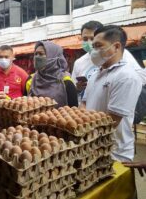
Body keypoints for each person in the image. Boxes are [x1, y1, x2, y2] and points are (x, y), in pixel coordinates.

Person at [82, 25, 142, 162]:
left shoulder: (126, 76)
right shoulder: (96, 75)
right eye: (93, 46)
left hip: (114, 153)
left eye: (98, 46)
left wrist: (82, 130)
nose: (93, 51)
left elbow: (112, 120)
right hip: (92, 148)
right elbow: (84, 104)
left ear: (116, 47)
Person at [72, 21, 143, 101]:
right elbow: (74, 87)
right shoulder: (79, 63)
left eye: (92, 38)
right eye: (85, 39)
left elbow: (139, 78)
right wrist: (78, 88)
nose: (89, 42)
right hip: (89, 106)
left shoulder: (121, 54)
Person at [26, 41, 78, 107]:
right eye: (35, 54)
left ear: (53, 57)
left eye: (41, 54)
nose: (37, 57)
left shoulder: (66, 83)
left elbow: (74, 112)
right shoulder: (31, 80)